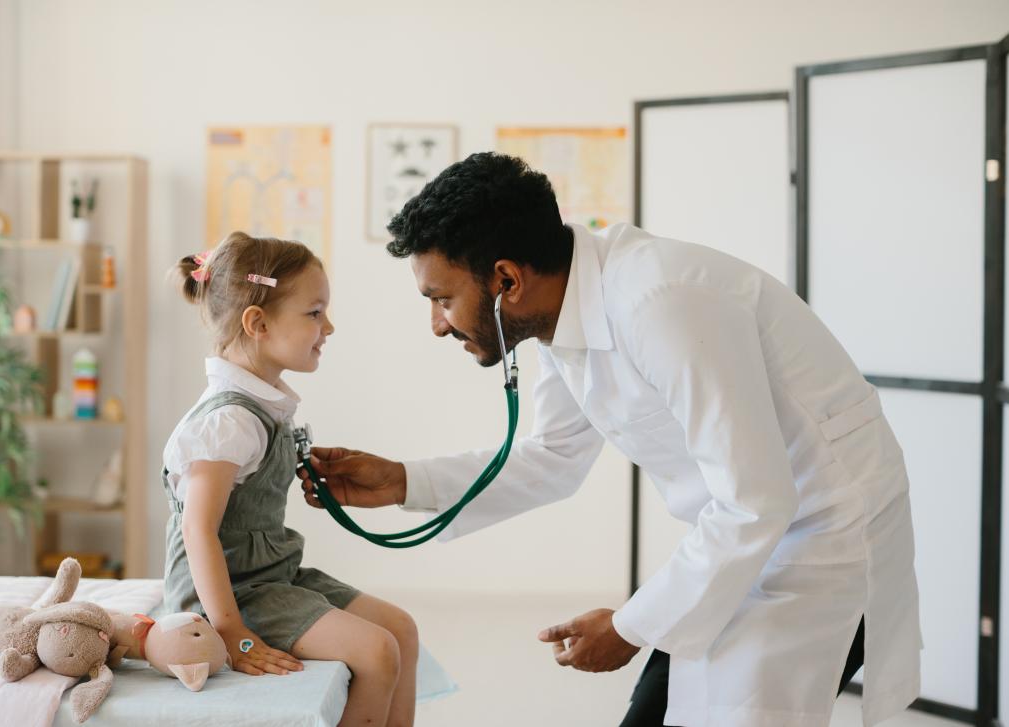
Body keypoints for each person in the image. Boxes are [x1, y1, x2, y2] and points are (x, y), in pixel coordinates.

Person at [298, 153, 921, 727]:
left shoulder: (659, 303)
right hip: (740, 542)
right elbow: (552, 457)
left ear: (506, 279)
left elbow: (756, 503)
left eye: (441, 300)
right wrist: (402, 481)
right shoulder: (567, 309)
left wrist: (629, 626)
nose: (438, 325)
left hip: (820, 546)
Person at [163, 231, 418, 727]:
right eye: (314, 313)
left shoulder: (263, 403)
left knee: (400, 630)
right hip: (228, 594)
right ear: (257, 323)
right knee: (376, 651)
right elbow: (198, 531)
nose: (330, 326)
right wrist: (231, 631)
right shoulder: (228, 421)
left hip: (271, 576)